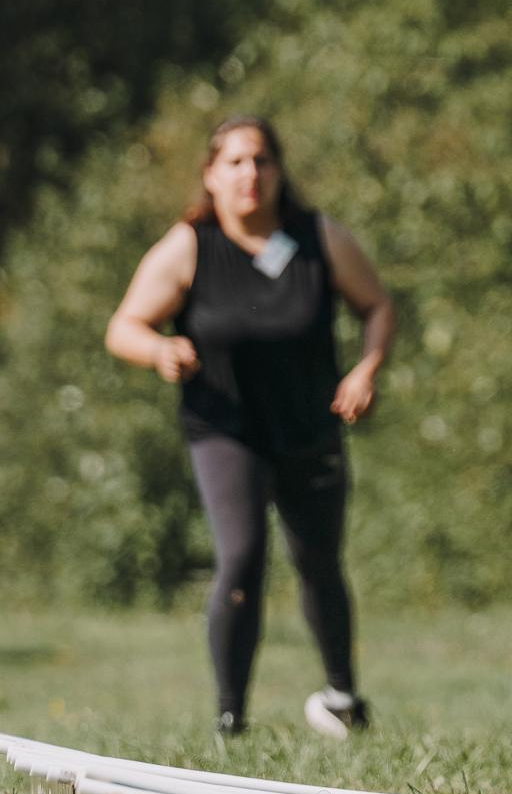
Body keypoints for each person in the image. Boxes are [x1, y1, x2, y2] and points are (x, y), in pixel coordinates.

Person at [107, 116, 394, 739]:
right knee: (240, 558)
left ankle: (343, 697)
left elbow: (377, 306)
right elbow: (123, 327)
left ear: (278, 170)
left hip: (309, 426)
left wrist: (366, 370)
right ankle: (231, 718)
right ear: (211, 175)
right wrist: (158, 350)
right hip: (225, 428)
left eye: (261, 160)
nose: (249, 174)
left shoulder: (320, 239)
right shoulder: (189, 246)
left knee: (318, 559)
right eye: (234, 162)